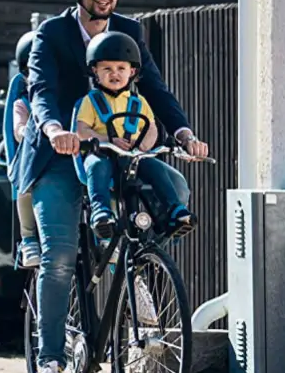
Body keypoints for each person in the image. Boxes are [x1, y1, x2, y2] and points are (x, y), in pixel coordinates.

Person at [7, 0, 209, 373]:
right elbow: (41, 89)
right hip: (59, 156)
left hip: (116, 154)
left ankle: (137, 271)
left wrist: (182, 132)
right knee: (58, 258)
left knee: (170, 191)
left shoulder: (128, 30)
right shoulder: (52, 33)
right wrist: (55, 128)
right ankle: (52, 367)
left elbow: (156, 89)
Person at [75, 30, 196, 241]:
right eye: (107, 69)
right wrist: (106, 141)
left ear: (132, 72)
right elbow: (82, 129)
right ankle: (101, 212)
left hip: (133, 157)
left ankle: (174, 210)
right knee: (96, 167)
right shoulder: (91, 101)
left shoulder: (138, 102)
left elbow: (151, 128)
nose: (115, 74)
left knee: (157, 170)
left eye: (121, 68)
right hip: (104, 154)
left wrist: (143, 148)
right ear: (95, 71)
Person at [11, 31, 40, 268]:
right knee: (25, 188)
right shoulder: (23, 104)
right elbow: (18, 130)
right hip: (32, 154)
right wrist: (30, 130)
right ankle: (28, 237)